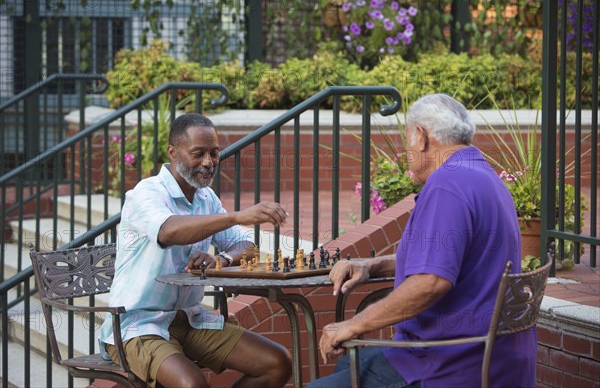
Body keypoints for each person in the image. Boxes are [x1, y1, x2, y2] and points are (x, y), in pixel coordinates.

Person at [308, 94, 535, 388]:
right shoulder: (483, 175)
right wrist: (371, 266)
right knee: (347, 362)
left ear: (421, 137)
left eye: (407, 143)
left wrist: (353, 325)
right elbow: (452, 260)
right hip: (492, 358)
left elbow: (431, 281)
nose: (408, 152)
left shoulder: (447, 184)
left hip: (448, 363)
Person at [99, 113, 292, 388]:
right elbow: (168, 231)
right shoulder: (146, 193)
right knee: (192, 384)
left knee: (276, 363)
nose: (208, 162)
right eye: (198, 153)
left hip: (190, 320)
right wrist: (237, 216)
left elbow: (248, 247)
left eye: (214, 153)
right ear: (173, 153)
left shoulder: (205, 198)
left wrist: (221, 259)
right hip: (137, 325)